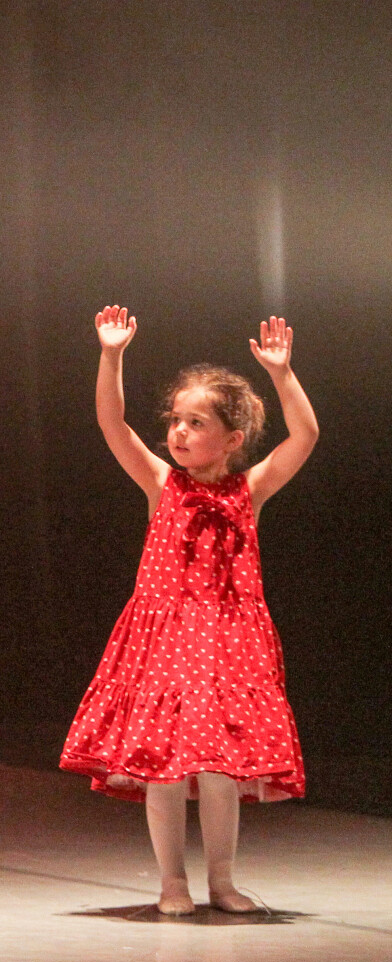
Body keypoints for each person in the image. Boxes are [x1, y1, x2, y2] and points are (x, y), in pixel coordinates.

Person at [61, 309, 318, 914]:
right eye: (175, 420)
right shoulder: (162, 484)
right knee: (166, 766)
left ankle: (221, 882)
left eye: (195, 423)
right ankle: (172, 882)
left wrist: (282, 375)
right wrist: (111, 356)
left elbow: (304, 436)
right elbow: (112, 422)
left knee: (221, 766)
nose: (177, 432)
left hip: (228, 641)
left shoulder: (249, 489)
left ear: (232, 439)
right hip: (166, 640)